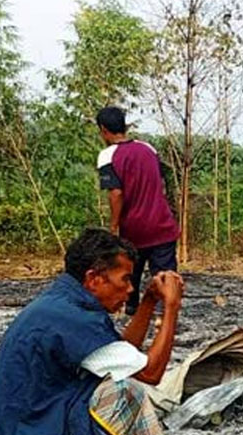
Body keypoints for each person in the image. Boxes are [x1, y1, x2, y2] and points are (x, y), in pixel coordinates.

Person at [0, 228, 184, 435]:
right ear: (94, 279)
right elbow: (150, 372)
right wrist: (172, 308)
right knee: (124, 389)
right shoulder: (73, 318)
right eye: (124, 280)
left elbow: (120, 352)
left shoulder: (63, 304)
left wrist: (149, 302)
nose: (129, 290)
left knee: (116, 376)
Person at [96, 106, 181, 314]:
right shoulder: (148, 148)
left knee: (129, 272)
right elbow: (160, 180)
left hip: (134, 228)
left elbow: (116, 193)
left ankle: (132, 309)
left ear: (103, 130)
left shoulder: (107, 156)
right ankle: (168, 314)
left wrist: (114, 226)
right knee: (165, 274)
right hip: (162, 223)